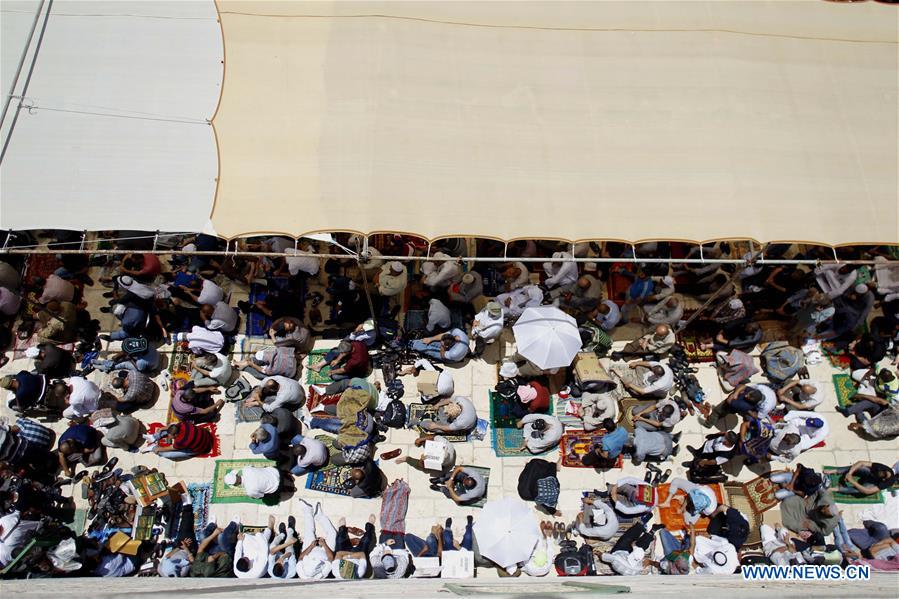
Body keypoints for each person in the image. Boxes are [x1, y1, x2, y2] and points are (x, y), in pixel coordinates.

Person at [148, 421, 215, 460]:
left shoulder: (181, 441)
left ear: (175, 435)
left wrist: (159, 449)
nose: (168, 437)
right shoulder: (183, 424)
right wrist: (163, 428)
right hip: (206, 435)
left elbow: (171, 448)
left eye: (170, 436)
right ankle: (154, 437)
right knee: (169, 428)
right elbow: (173, 426)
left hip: (203, 448)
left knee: (168, 454)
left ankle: (153, 447)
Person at [830, 461, 896, 497]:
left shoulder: (887, 482)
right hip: (869, 475)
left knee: (860, 490)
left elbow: (867, 491)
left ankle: (839, 489)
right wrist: (850, 473)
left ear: (883, 479)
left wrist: (853, 482)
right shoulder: (881, 468)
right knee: (859, 467)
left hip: (873, 483)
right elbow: (861, 462)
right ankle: (836, 471)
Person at [611, 324, 676, 361]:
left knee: (639, 352)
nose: (655, 333)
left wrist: (647, 345)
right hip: (647, 340)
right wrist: (645, 339)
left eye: (657, 334)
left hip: (652, 348)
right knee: (635, 344)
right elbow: (650, 333)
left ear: (664, 335)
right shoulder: (660, 327)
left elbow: (660, 351)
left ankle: (625, 356)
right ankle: (622, 353)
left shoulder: (670, 341)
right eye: (656, 332)